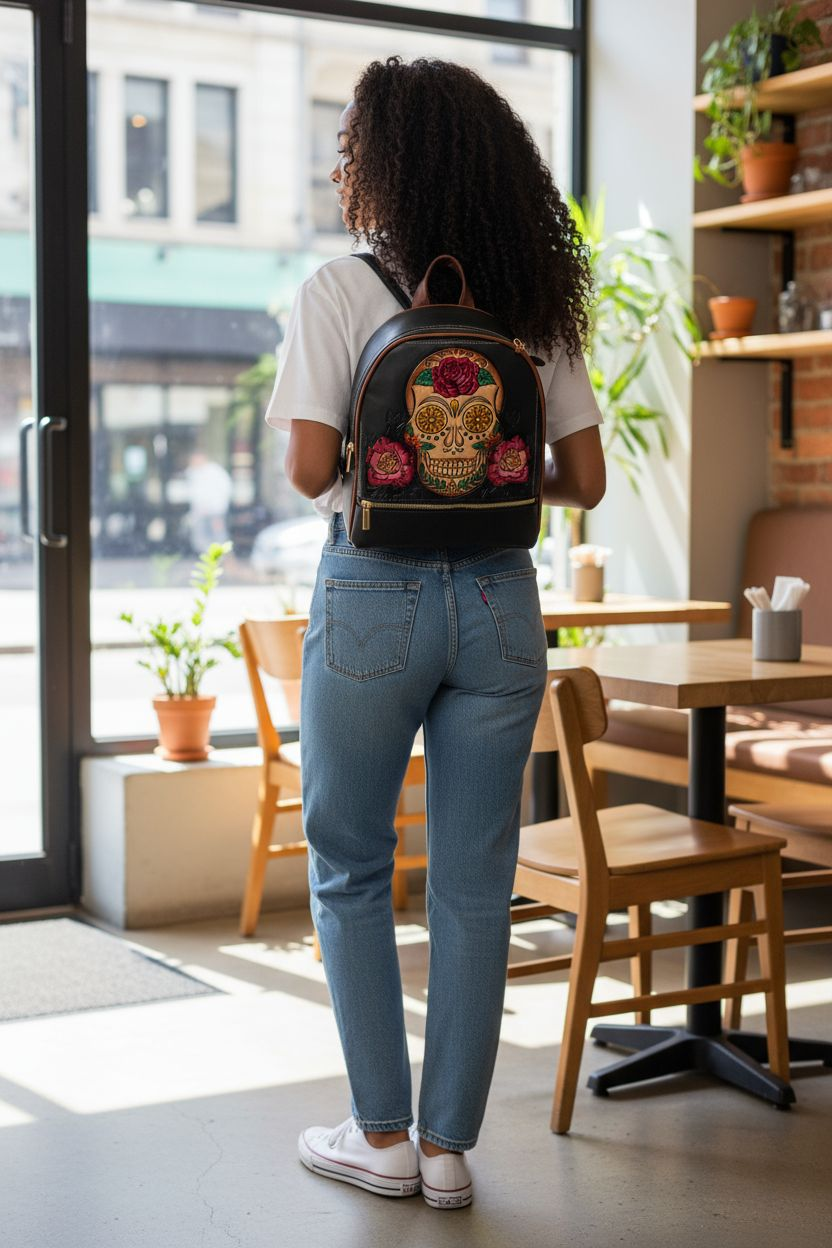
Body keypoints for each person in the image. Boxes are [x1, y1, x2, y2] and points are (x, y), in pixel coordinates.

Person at [265, 56, 606, 1209]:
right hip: (503, 601)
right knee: (474, 878)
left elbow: (312, 467)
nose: (337, 165)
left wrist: (412, 472)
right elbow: (587, 481)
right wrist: (486, 481)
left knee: (354, 864)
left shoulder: (338, 289)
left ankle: (382, 1136)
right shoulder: (534, 301)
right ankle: (452, 1151)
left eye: (351, 147)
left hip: (374, 593)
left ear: (387, 166)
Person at [184, 449, 233, 554]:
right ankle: (208, 556)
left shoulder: (215, 472)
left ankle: (222, 556)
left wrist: (216, 507)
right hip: (199, 512)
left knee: (218, 535)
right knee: (200, 537)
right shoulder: (192, 473)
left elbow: (224, 490)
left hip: (215, 512)